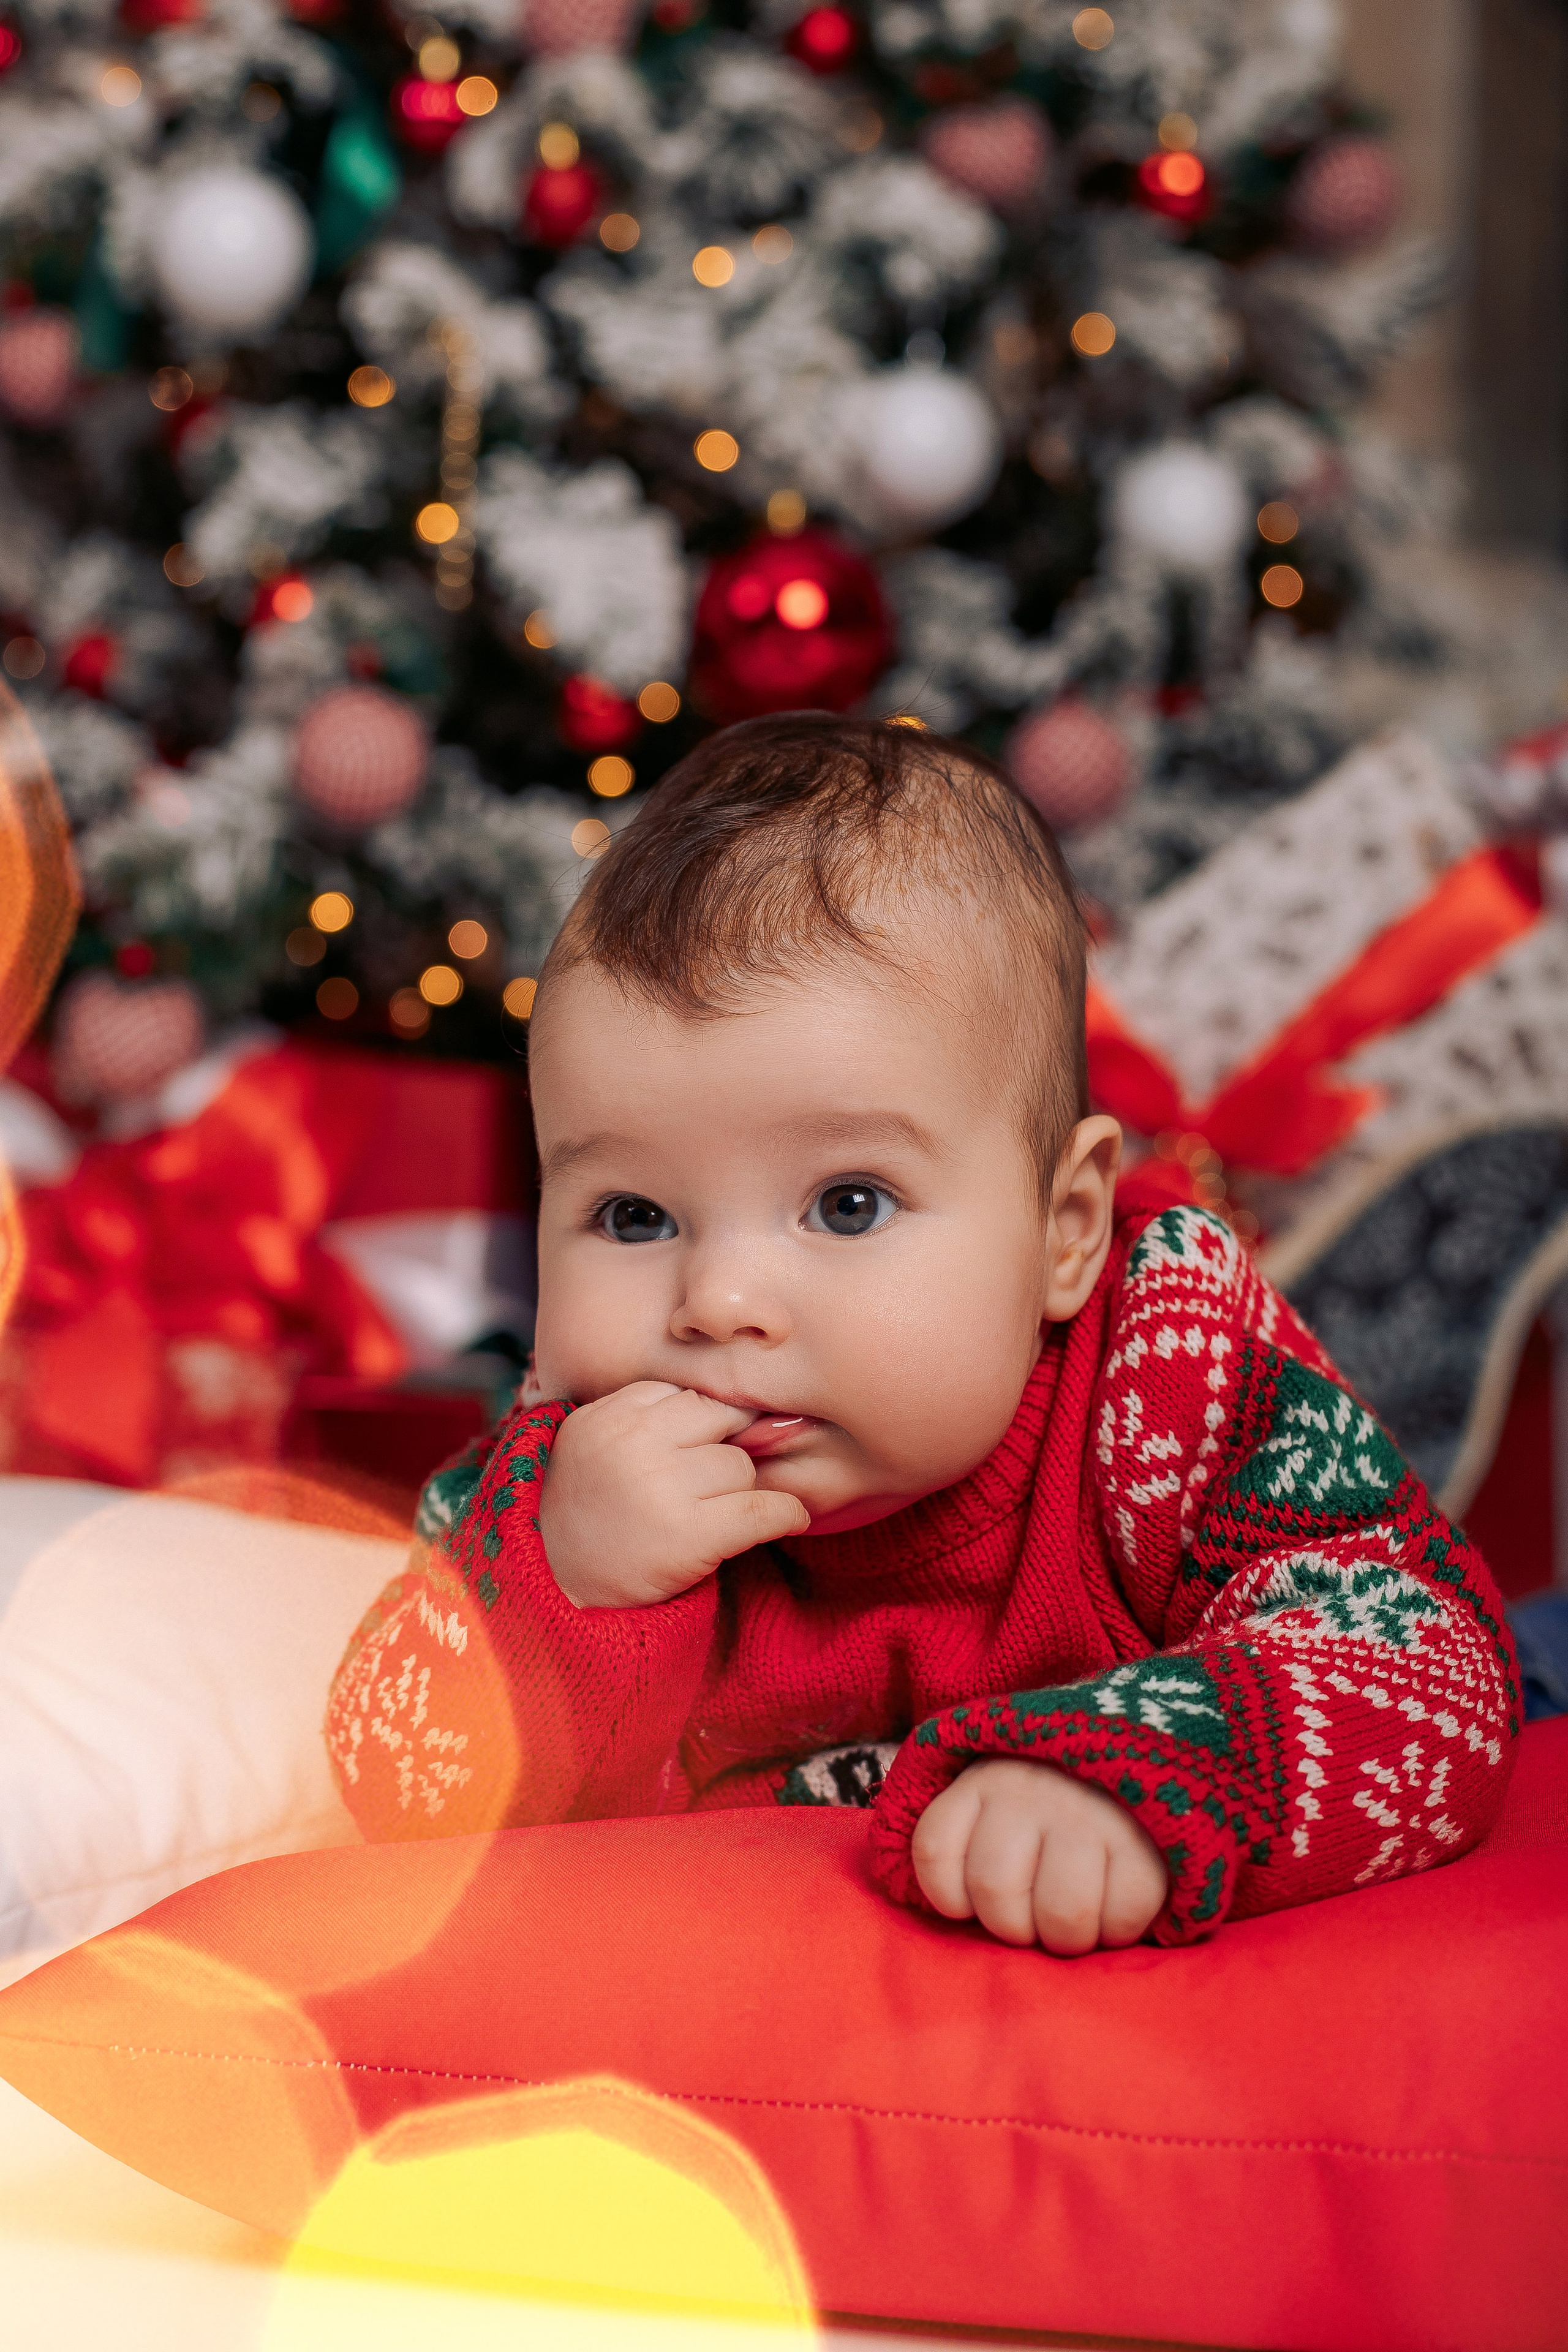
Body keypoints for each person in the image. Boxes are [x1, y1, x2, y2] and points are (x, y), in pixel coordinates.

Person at [325, 715, 1520, 1954]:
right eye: (631, 1216)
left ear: (1061, 1229)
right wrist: (562, 1586)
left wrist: (1128, 1773)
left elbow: (1428, 1668)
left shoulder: (1167, 1366)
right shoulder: (559, 1472)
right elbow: (398, 1789)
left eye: (848, 1205)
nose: (717, 1303)